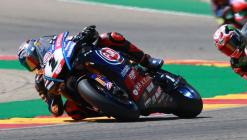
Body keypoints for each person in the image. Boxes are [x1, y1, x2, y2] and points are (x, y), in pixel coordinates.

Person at [17, 25, 164, 120]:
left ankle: (146, 60)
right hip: (77, 91)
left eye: (31, 60)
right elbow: (56, 111)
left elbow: (74, 39)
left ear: (37, 52)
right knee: (72, 111)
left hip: (82, 62)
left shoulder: (53, 46)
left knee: (111, 37)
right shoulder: (40, 82)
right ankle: (105, 107)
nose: (33, 65)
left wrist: (85, 34)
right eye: (29, 65)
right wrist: (52, 95)